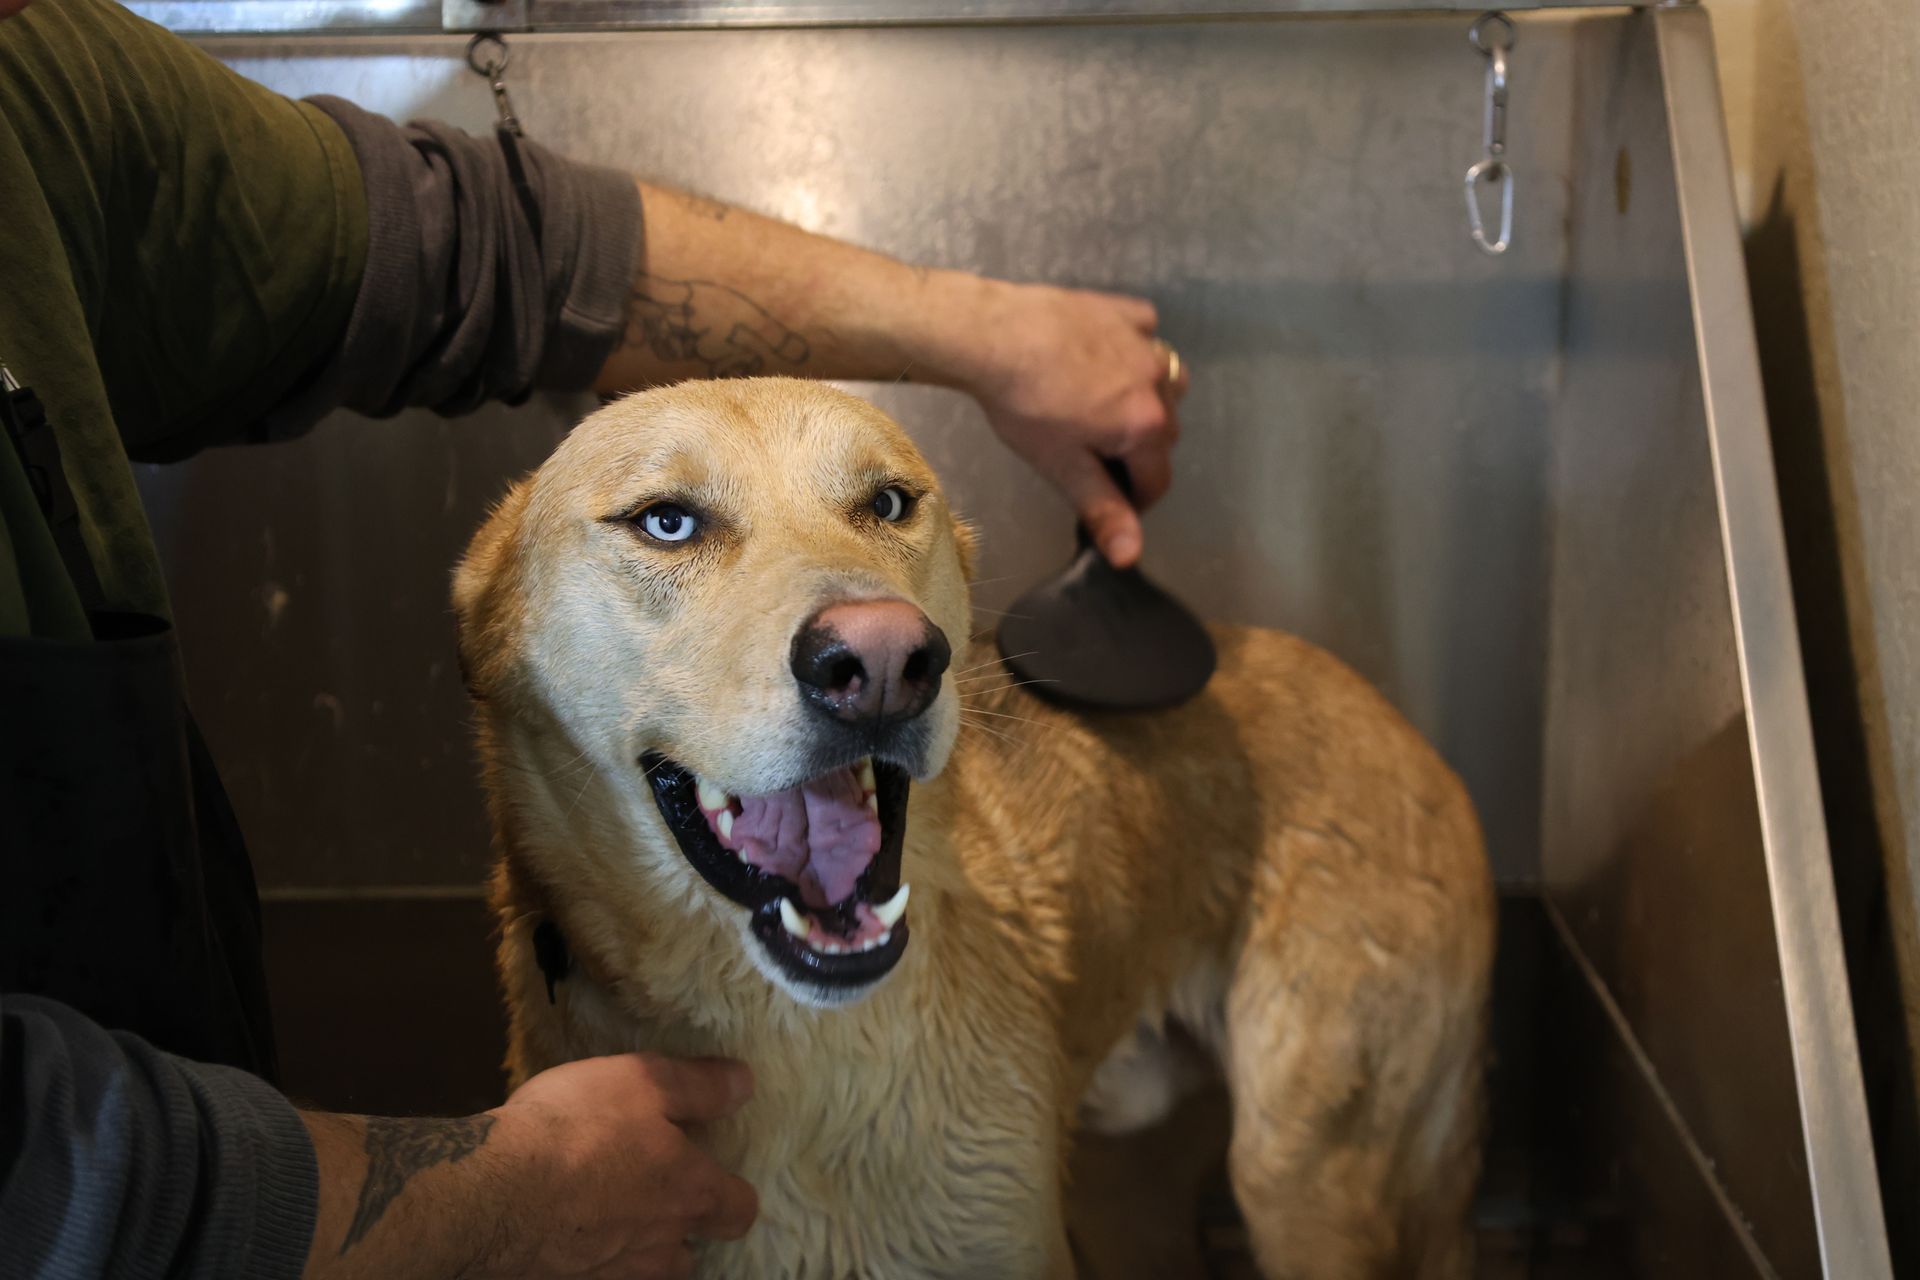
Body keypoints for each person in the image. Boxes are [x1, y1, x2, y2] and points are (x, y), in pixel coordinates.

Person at [0, 0, 1187, 1276]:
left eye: (885, 506)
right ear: (496, 634)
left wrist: (988, 333)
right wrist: (479, 1203)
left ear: (955, 573)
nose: (865, 624)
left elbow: (470, 244)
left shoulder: (30, 88)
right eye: (669, 521)